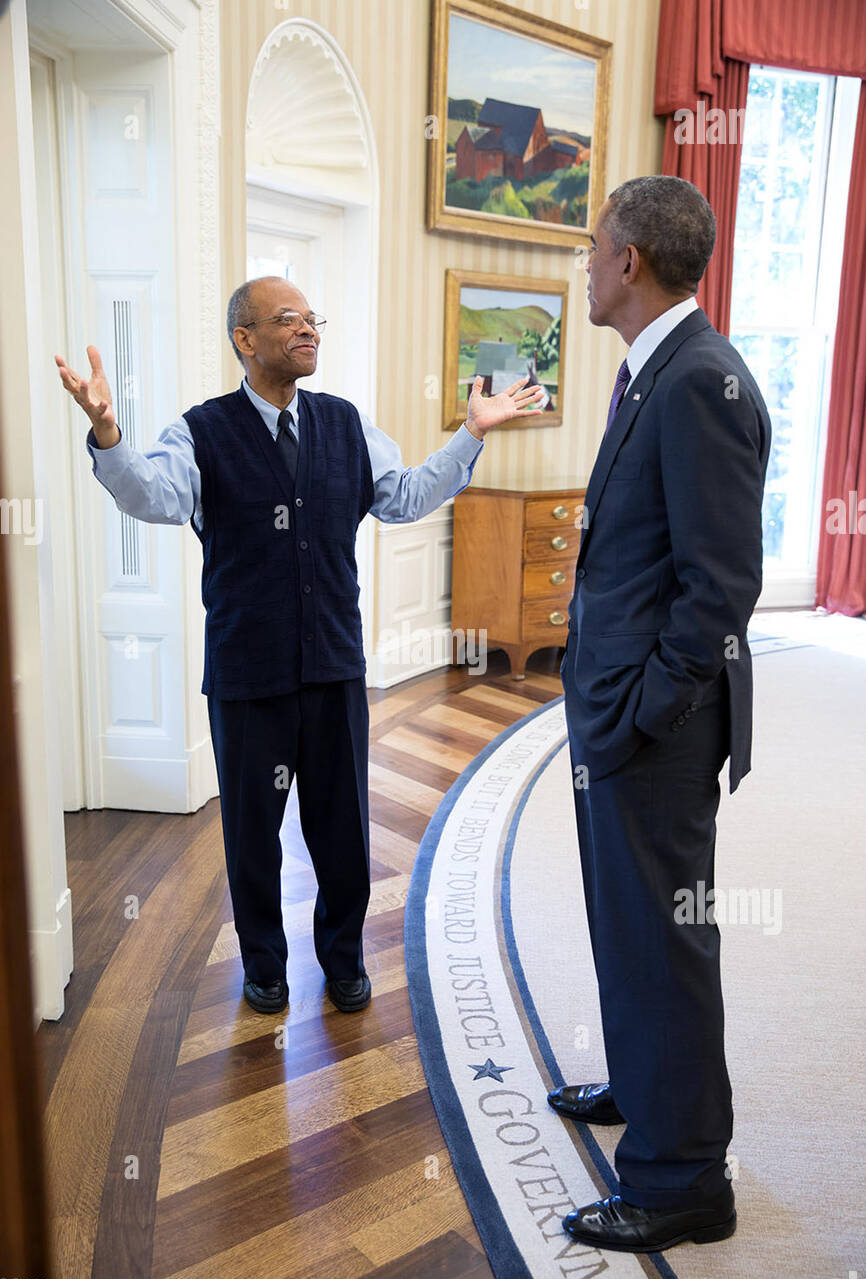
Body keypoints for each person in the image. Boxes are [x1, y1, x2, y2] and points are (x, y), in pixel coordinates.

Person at [56, 276, 543, 1016]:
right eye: (287, 320)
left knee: (342, 828)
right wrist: (108, 436)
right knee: (253, 835)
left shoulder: (346, 423)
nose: (308, 330)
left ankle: (342, 959)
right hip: (248, 672)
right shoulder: (201, 430)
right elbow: (152, 498)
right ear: (244, 341)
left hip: (333, 666)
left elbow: (406, 497)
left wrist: (469, 433)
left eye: (312, 319)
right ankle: (265, 967)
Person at [552, 176, 770, 1252]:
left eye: (594, 248)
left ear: (629, 261)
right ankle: (647, 1087)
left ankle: (683, 1179)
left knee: (666, 938)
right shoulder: (655, 371)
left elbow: (719, 585)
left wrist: (641, 712)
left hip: (655, 728)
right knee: (629, 929)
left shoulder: (697, 383)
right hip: (615, 714)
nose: (586, 265)